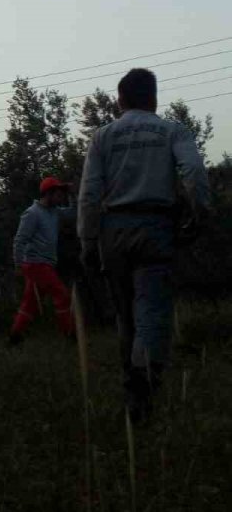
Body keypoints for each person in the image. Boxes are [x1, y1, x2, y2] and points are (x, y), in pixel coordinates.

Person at [77, 67, 210, 422]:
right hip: (156, 226)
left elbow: (89, 194)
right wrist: (199, 215)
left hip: (113, 231)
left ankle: (132, 385)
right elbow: (194, 174)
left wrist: (87, 240)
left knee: (126, 316)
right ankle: (143, 385)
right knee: (151, 310)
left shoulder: (102, 137)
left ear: (120, 100)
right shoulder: (173, 131)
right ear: (154, 97)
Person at [9, 176, 76, 345]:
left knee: (30, 302)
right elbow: (20, 240)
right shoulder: (32, 213)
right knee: (62, 294)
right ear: (49, 193)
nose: (61, 198)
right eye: (59, 194)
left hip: (45, 264)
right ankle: (69, 334)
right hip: (35, 264)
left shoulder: (54, 212)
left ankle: (15, 336)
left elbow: (72, 214)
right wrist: (18, 264)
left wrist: (71, 195)